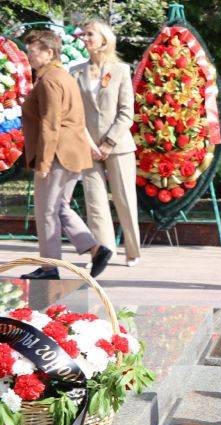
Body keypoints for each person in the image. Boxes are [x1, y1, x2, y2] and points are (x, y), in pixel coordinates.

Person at [20, 30, 112, 279]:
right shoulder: (61, 75)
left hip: (58, 154)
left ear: (50, 52)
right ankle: (95, 249)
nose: (29, 55)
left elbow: (51, 124)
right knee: (59, 207)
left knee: (46, 211)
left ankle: (50, 269)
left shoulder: (50, 79)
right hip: (72, 153)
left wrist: (44, 162)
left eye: (33, 50)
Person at [71, 19, 141, 268]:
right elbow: (75, 113)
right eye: (85, 34)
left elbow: (126, 112)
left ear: (104, 39)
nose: (86, 38)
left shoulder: (121, 70)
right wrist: (89, 143)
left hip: (118, 145)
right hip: (87, 146)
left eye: (91, 34)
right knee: (94, 202)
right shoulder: (75, 72)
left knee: (124, 198)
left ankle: (133, 251)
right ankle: (103, 253)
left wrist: (109, 142)